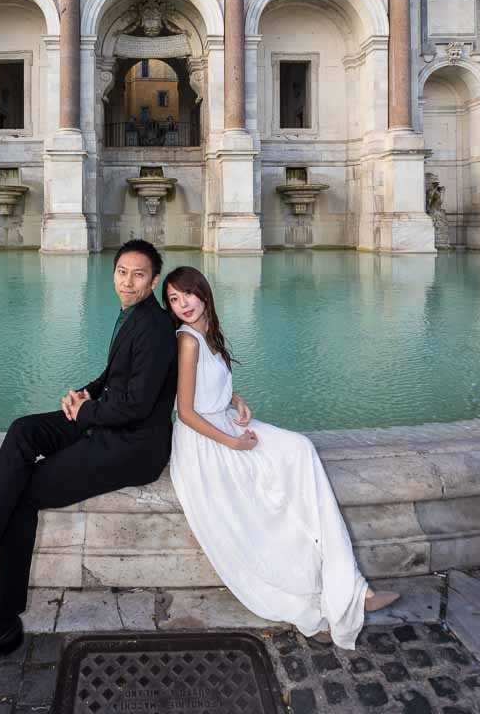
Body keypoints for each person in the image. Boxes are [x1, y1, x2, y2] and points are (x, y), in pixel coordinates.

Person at [0, 239, 177, 681]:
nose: (128, 280)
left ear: (154, 281)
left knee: (21, 496)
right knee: (24, 430)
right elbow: (113, 378)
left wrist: (87, 413)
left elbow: (139, 404)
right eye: (122, 271)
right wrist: (84, 393)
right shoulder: (132, 316)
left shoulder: (157, 326)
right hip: (106, 421)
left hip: (131, 447)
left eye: (139, 274)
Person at [162, 265, 399, 650]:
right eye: (173, 299)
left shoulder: (209, 335)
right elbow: (186, 412)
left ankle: (352, 588)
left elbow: (212, 387)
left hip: (223, 424)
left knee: (300, 449)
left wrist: (236, 400)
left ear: (202, 292)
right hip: (205, 444)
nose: (182, 303)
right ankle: (328, 597)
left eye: (186, 293)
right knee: (273, 497)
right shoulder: (187, 340)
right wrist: (233, 443)